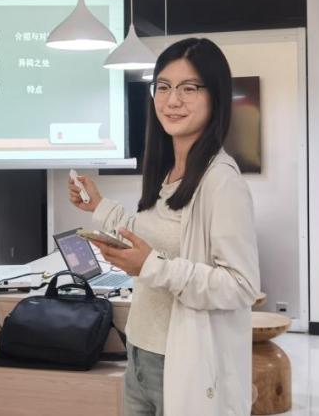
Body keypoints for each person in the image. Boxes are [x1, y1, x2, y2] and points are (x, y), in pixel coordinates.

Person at [68, 38, 261, 415]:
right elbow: (152, 237)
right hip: (140, 352)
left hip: (183, 362)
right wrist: (98, 205)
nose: (172, 100)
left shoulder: (222, 182)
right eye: (164, 86)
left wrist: (151, 267)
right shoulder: (167, 171)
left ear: (215, 96)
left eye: (189, 88)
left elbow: (241, 286)